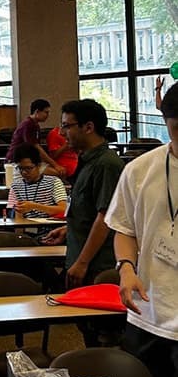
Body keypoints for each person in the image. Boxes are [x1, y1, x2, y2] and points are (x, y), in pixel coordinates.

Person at [106, 83, 178, 377]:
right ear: (165, 122)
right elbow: (124, 229)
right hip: (149, 311)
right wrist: (125, 268)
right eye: (177, 129)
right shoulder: (139, 170)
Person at [43, 99, 123, 289]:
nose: (62, 133)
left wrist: (82, 262)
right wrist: (69, 230)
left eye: (66, 126)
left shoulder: (106, 164)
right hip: (80, 253)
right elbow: (88, 209)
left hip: (96, 265)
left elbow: (105, 218)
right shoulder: (87, 160)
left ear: (88, 127)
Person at [5, 98, 64, 177]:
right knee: (56, 172)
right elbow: (35, 147)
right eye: (46, 112)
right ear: (37, 111)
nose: (48, 115)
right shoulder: (28, 124)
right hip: (16, 161)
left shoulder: (35, 125)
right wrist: (55, 164)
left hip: (28, 160)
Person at [6, 144, 68, 219]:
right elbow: (15, 214)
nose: (24, 172)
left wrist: (34, 206)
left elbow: (63, 209)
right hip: (25, 226)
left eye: (28, 168)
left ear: (39, 166)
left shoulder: (54, 182)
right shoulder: (16, 186)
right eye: (20, 168)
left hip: (50, 227)